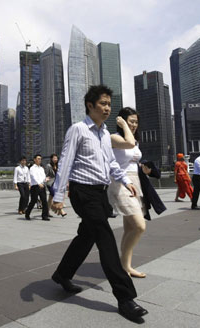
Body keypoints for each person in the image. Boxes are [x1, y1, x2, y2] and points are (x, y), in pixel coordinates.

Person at [50, 85, 147, 322]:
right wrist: (58, 195)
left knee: (87, 236)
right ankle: (125, 298)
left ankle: (62, 274)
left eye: (108, 105)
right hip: (83, 192)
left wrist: (125, 180)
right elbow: (65, 162)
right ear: (90, 105)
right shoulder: (78, 130)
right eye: (102, 104)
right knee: (105, 239)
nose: (107, 108)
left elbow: (111, 163)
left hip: (101, 192)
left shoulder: (104, 134)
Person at [108, 107, 147, 278]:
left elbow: (132, 155)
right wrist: (124, 125)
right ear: (121, 121)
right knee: (139, 226)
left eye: (136, 122)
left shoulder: (135, 141)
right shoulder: (114, 137)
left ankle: (125, 266)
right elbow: (129, 144)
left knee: (129, 227)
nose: (134, 125)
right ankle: (123, 264)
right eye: (131, 121)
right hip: (120, 182)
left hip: (135, 182)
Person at [25, 154, 50, 221]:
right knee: (33, 201)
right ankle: (27, 213)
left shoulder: (41, 168)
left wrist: (45, 179)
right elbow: (33, 176)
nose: (40, 160)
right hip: (35, 186)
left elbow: (43, 176)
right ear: (34, 159)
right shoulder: (32, 168)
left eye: (40, 159)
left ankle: (44, 216)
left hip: (42, 186)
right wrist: (38, 183)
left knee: (44, 201)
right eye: (38, 159)